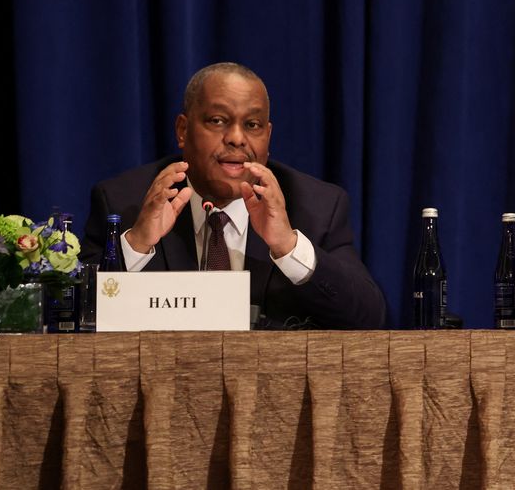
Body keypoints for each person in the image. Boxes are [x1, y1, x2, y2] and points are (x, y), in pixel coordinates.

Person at [80, 62, 386, 329]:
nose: (237, 139)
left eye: (252, 125)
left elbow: (369, 317)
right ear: (183, 130)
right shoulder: (125, 202)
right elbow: (76, 314)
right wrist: (135, 245)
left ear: (268, 136)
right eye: (218, 121)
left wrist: (288, 247)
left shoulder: (317, 207)